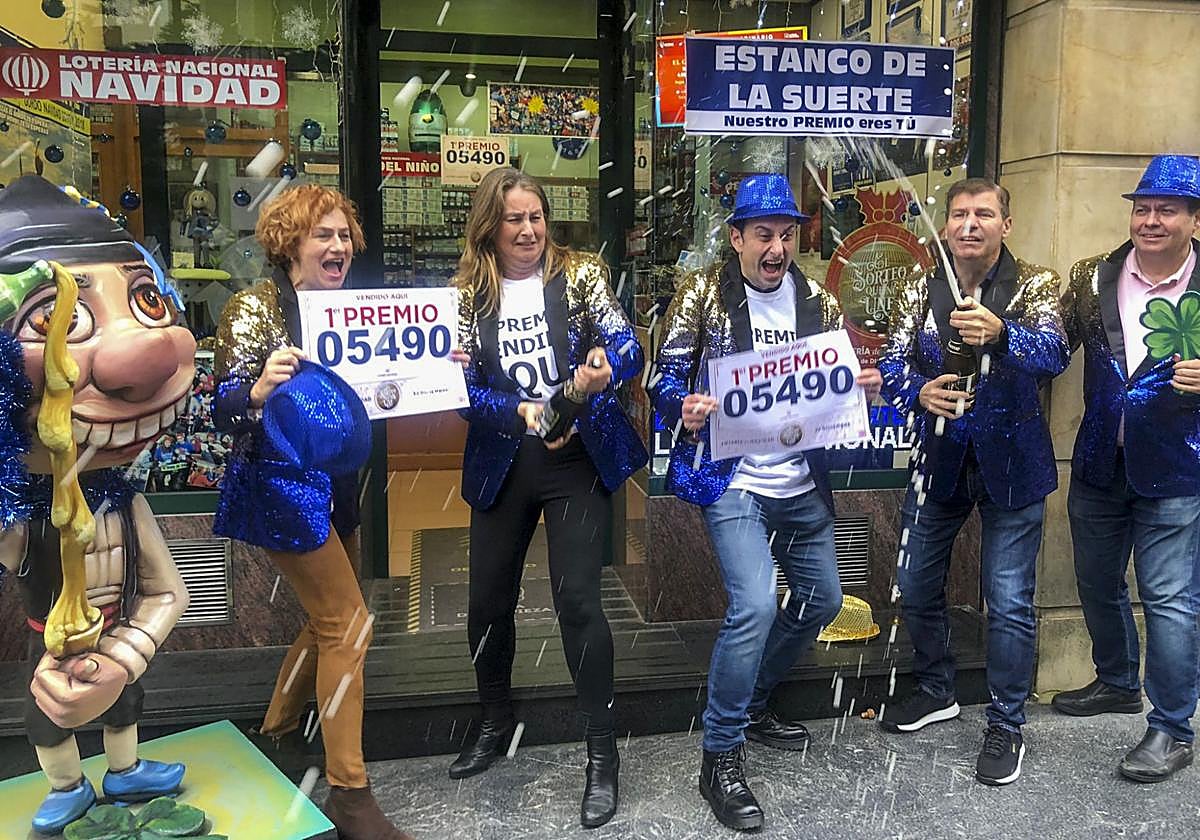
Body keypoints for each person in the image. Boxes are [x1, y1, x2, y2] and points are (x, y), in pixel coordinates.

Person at [650, 173, 882, 832]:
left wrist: (861, 387)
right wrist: (682, 406)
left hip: (801, 480)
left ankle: (752, 701)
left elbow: (834, 390)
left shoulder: (819, 301)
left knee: (824, 601)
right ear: (736, 239)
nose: (776, 248)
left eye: (786, 235)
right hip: (736, 480)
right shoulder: (703, 295)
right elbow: (662, 378)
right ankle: (720, 755)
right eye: (762, 235)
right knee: (753, 605)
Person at [213, 184, 412, 840]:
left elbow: (393, 376)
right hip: (280, 487)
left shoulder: (354, 311)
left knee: (328, 621)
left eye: (344, 235)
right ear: (289, 242)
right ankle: (350, 792)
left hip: (337, 484)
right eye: (322, 234)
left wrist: (438, 364)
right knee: (348, 626)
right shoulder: (254, 308)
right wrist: (255, 390)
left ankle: (275, 735)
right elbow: (220, 408)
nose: (338, 246)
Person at [452, 167, 647, 829]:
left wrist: (605, 369)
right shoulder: (467, 294)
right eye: (514, 218)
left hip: (576, 457)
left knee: (578, 600)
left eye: (536, 216)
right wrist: (524, 413)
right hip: (505, 458)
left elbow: (626, 345)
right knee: (487, 603)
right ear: (491, 226)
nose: (529, 229)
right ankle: (493, 720)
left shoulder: (581, 273)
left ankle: (601, 751)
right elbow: (462, 394)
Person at [0, 175, 194, 835]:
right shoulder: (21, 515)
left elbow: (169, 593)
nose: (144, 356)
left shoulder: (123, 502)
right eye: (58, 320)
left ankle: (124, 768)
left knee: (124, 701)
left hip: (113, 630)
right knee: (46, 714)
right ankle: (66, 784)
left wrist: (124, 657)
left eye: (146, 300)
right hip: (48, 643)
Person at [877, 178, 1070, 786]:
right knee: (915, 581)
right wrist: (918, 391)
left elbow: (1057, 353)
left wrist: (1004, 335)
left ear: (1005, 225)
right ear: (946, 224)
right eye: (959, 214)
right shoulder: (919, 285)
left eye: (983, 214)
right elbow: (890, 361)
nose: (969, 224)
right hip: (938, 459)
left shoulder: (1037, 283)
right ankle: (937, 689)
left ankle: (1006, 723)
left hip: (1013, 466)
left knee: (1008, 601)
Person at [1054, 155, 1200, 783]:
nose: (1150, 220)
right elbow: (1053, 346)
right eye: (1142, 208)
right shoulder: (1092, 276)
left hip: (1177, 469)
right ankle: (1116, 680)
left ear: (1195, 220)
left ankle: (1172, 728)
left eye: (1167, 209)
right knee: (1095, 581)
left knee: (1169, 599)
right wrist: (1000, 336)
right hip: (1099, 462)